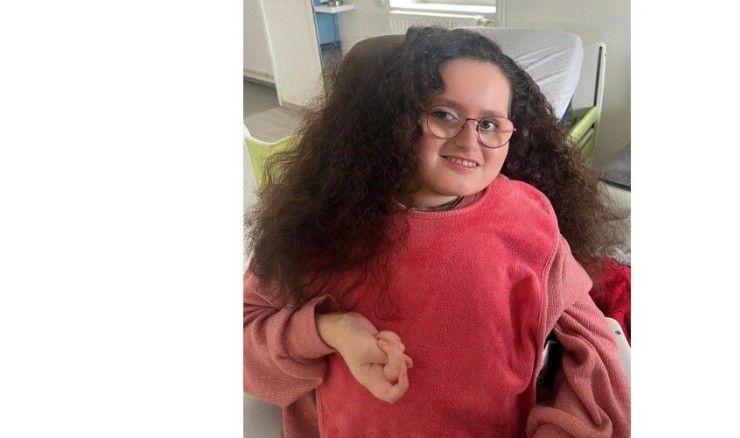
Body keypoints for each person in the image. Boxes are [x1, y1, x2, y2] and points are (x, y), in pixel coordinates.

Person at [243, 26, 631, 437]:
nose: (470, 141)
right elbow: (245, 341)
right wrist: (328, 329)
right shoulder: (324, 217)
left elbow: (593, 345)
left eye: (490, 124)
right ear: (397, 117)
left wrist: (565, 428)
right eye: (444, 115)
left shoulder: (528, 219)